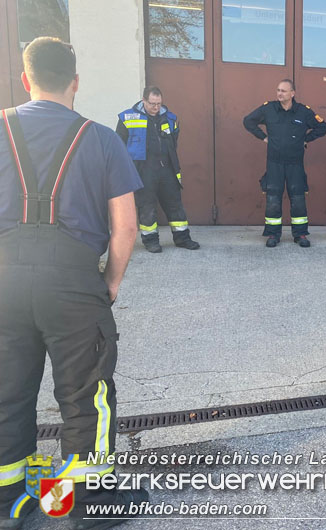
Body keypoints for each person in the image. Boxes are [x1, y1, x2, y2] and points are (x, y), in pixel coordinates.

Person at [0, 37, 147, 529]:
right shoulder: (102, 138)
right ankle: (90, 506)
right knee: (86, 395)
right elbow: (126, 227)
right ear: (76, 83)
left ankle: (7, 502)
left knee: (6, 391)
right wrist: (109, 282)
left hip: (5, 281)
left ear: (26, 79)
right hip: (74, 284)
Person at [243, 79, 326, 248]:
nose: (279, 93)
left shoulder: (303, 112)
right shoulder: (268, 109)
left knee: (298, 198)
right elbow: (248, 121)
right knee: (273, 198)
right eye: (278, 90)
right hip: (274, 163)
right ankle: (273, 234)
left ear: (292, 93)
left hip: (295, 163)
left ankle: (300, 234)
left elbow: (323, 127)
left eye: (283, 90)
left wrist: (305, 139)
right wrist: (263, 137)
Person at [116, 86, 200, 253]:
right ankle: (150, 241)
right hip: (143, 169)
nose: (156, 108)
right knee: (147, 206)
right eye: (152, 104)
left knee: (175, 204)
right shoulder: (127, 117)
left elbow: (173, 141)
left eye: (159, 104)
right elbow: (119, 145)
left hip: (167, 168)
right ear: (144, 100)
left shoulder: (170, 118)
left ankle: (182, 238)